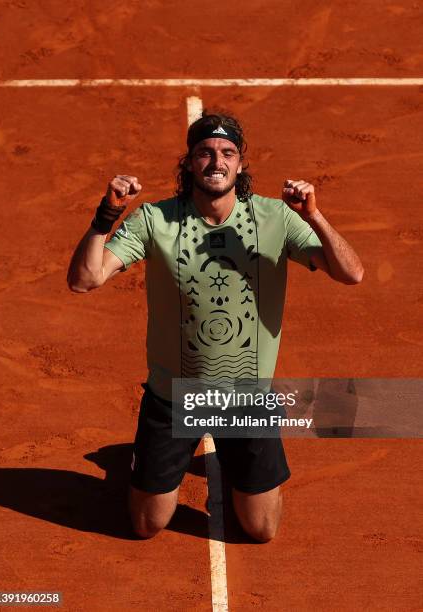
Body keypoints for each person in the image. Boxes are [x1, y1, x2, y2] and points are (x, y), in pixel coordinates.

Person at [67, 111, 364, 542]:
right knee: (147, 525)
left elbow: (351, 273)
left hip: (246, 397)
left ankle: (232, 465)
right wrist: (105, 215)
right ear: (188, 163)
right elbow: (84, 280)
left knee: (261, 530)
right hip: (173, 397)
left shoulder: (276, 218)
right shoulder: (154, 220)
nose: (216, 162)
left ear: (241, 164)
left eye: (227, 153)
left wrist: (315, 216)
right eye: (204, 153)